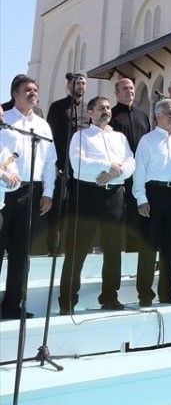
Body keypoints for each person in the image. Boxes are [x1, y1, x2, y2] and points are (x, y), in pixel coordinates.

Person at [58, 96, 135, 313]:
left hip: (114, 196)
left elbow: (131, 163)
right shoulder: (80, 136)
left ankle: (110, 296)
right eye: (101, 108)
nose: (106, 111)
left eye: (108, 107)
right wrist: (108, 165)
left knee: (113, 249)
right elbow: (78, 164)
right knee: (78, 249)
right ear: (90, 113)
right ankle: (68, 300)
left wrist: (115, 172)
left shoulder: (120, 138)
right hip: (88, 196)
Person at [0, 76, 56, 319]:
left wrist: (48, 192)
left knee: (22, 253)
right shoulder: (3, 120)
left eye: (35, 89)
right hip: (3, 193)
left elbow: (50, 161)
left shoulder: (43, 126)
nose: (33, 93)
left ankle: (14, 305)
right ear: (15, 94)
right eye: (27, 90)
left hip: (31, 192)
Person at [133, 98, 171, 306]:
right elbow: (139, 170)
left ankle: (167, 292)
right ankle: (145, 294)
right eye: (168, 113)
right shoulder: (147, 140)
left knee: (170, 247)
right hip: (153, 193)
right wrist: (141, 198)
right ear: (158, 115)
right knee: (149, 246)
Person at [45, 71, 88, 253]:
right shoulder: (57, 107)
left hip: (82, 169)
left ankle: (73, 247)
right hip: (61, 166)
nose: (81, 86)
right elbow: (49, 137)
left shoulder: (87, 110)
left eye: (83, 83)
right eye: (77, 83)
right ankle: (53, 249)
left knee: (77, 209)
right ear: (69, 86)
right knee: (58, 210)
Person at [111, 77, 152, 251]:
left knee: (140, 212)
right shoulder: (112, 115)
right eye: (125, 88)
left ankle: (136, 250)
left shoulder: (142, 115)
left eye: (131, 88)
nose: (130, 91)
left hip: (141, 172)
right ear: (117, 93)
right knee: (119, 213)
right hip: (120, 173)